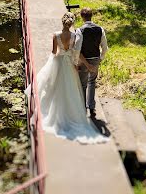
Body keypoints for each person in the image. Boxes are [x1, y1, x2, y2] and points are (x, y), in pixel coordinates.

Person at [28, 12, 108, 144]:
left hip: (59, 61)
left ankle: (56, 110)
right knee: (71, 87)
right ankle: (79, 109)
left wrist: (54, 60)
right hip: (70, 63)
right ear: (71, 24)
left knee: (55, 85)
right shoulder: (74, 35)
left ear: (62, 22)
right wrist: (76, 63)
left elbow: (54, 52)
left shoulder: (56, 35)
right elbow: (75, 51)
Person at [78, 7, 108, 117]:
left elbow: (77, 49)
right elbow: (105, 47)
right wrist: (100, 58)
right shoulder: (100, 29)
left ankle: (82, 109)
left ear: (82, 17)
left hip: (83, 60)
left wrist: (78, 62)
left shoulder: (80, 30)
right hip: (95, 59)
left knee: (82, 84)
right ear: (92, 16)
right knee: (92, 82)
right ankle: (91, 108)